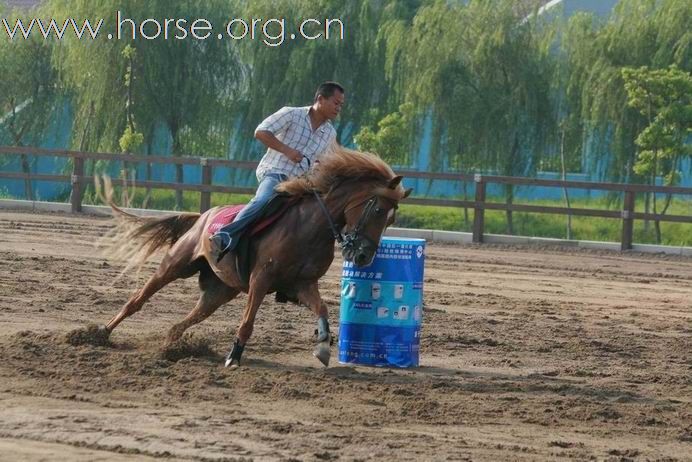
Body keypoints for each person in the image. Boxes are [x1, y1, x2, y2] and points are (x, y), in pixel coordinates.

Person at [209, 81, 345, 260]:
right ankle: (226, 235)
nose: (338, 108)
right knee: (264, 200)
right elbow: (261, 132)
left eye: (341, 105)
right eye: (336, 103)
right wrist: (287, 150)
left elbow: (324, 162)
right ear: (320, 99)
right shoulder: (291, 114)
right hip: (275, 172)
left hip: (301, 183)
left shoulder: (330, 134)